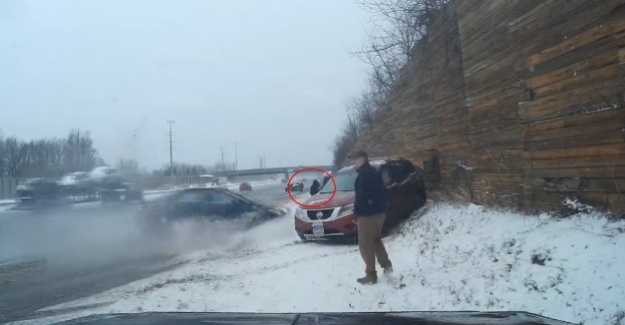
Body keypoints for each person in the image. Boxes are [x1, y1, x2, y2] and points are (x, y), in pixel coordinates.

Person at [348, 149, 393, 284]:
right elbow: (382, 191)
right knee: (376, 240)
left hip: (368, 216)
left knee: (366, 245)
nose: (353, 162)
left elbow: (363, 197)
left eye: (354, 159)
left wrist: (357, 210)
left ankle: (371, 276)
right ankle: (387, 266)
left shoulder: (365, 175)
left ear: (362, 159)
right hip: (379, 214)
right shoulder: (373, 172)